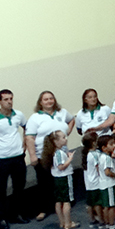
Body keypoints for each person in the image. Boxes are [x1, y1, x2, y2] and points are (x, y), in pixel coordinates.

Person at [25, 91, 74, 221]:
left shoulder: (62, 113)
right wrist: (32, 156)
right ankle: (44, 209)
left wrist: (66, 133)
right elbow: (29, 137)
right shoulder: (35, 118)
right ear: (40, 102)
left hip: (61, 153)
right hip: (44, 155)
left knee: (61, 180)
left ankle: (64, 203)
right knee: (44, 183)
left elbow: (71, 120)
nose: (49, 101)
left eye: (51, 98)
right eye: (45, 99)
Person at [0, 89, 29, 229]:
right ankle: (1, 218)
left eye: (11, 99)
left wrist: (25, 144)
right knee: (1, 190)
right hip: (2, 159)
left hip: (18, 157)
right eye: (6, 99)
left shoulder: (18, 115)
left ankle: (17, 214)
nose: (9, 102)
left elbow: (27, 128)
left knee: (19, 187)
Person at [41, 130, 79, 229]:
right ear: (56, 141)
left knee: (58, 201)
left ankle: (62, 222)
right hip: (64, 178)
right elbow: (61, 167)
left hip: (57, 179)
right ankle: (68, 223)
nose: (66, 139)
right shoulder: (59, 153)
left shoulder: (53, 153)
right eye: (63, 137)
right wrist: (70, 159)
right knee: (66, 201)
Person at [81, 132, 103, 228]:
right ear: (94, 143)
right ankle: (101, 219)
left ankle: (92, 219)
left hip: (88, 183)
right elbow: (98, 167)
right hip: (95, 182)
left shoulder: (87, 154)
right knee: (97, 202)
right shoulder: (94, 155)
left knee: (90, 202)